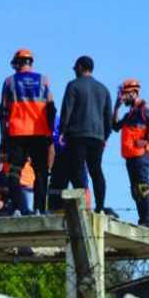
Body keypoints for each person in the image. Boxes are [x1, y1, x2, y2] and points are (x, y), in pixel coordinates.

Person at [0, 49, 56, 214]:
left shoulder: (9, 81)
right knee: (41, 171)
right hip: (39, 132)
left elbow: (3, 111)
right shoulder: (44, 80)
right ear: (30, 62)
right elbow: (51, 108)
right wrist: (50, 132)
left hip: (17, 132)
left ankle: (17, 207)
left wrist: (4, 137)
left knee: (15, 170)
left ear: (17, 63)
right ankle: (39, 209)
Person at [59, 56, 114, 215]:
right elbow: (108, 117)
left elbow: (67, 110)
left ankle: (82, 205)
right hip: (97, 136)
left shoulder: (73, 86)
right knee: (96, 170)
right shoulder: (103, 89)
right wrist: (105, 136)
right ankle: (100, 206)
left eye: (76, 67)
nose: (74, 70)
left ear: (81, 67)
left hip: (77, 135)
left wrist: (62, 131)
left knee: (77, 169)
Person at [113, 78, 149, 227]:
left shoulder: (145, 108)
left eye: (125, 94)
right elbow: (114, 126)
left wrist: (147, 139)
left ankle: (148, 222)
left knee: (142, 186)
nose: (122, 97)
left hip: (141, 154)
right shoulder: (129, 114)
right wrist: (116, 107)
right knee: (135, 189)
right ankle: (142, 220)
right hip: (130, 156)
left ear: (133, 93)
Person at [48, 114, 92, 211]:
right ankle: (54, 210)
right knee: (56, 190)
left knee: (82, 187)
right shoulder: (53, 121)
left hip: (75, 156)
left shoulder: (80, 122)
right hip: (60, 157)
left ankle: (87, 212)